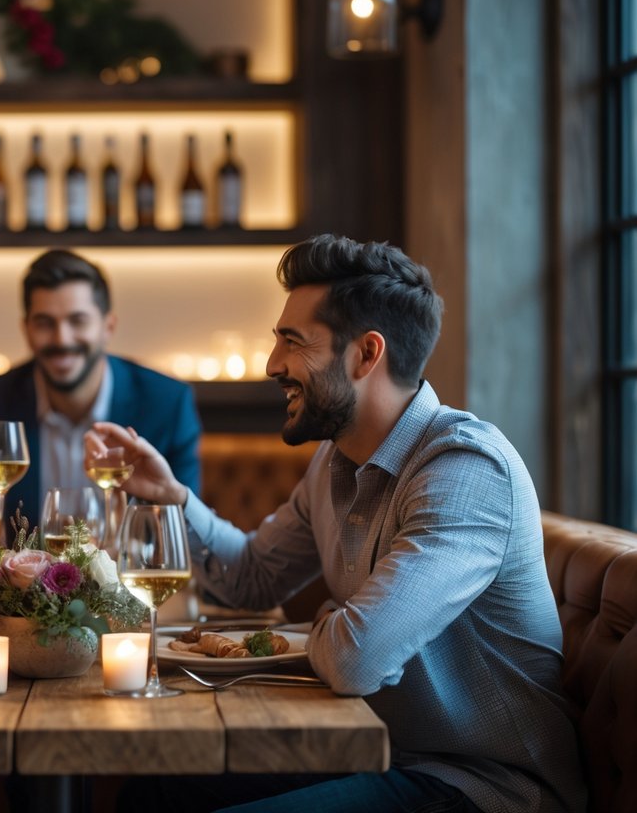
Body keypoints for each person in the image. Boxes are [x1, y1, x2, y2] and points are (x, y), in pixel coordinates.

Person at [90, 234, 586, 813]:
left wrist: (330, 621)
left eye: (292, 342)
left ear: (365, 354)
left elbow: (356, 658)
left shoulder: (465, 470)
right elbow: (251, 579)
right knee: (151, 793)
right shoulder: (336, 457)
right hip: (382, 753)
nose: (273, 364)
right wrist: (171, 496)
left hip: (482, 783)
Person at [0, 248, 201, 530]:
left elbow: (188, 534)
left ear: (108, 326)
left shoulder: (167, 404)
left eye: (77, 321)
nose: (62, 338)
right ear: (26, 329)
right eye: (45, 323)